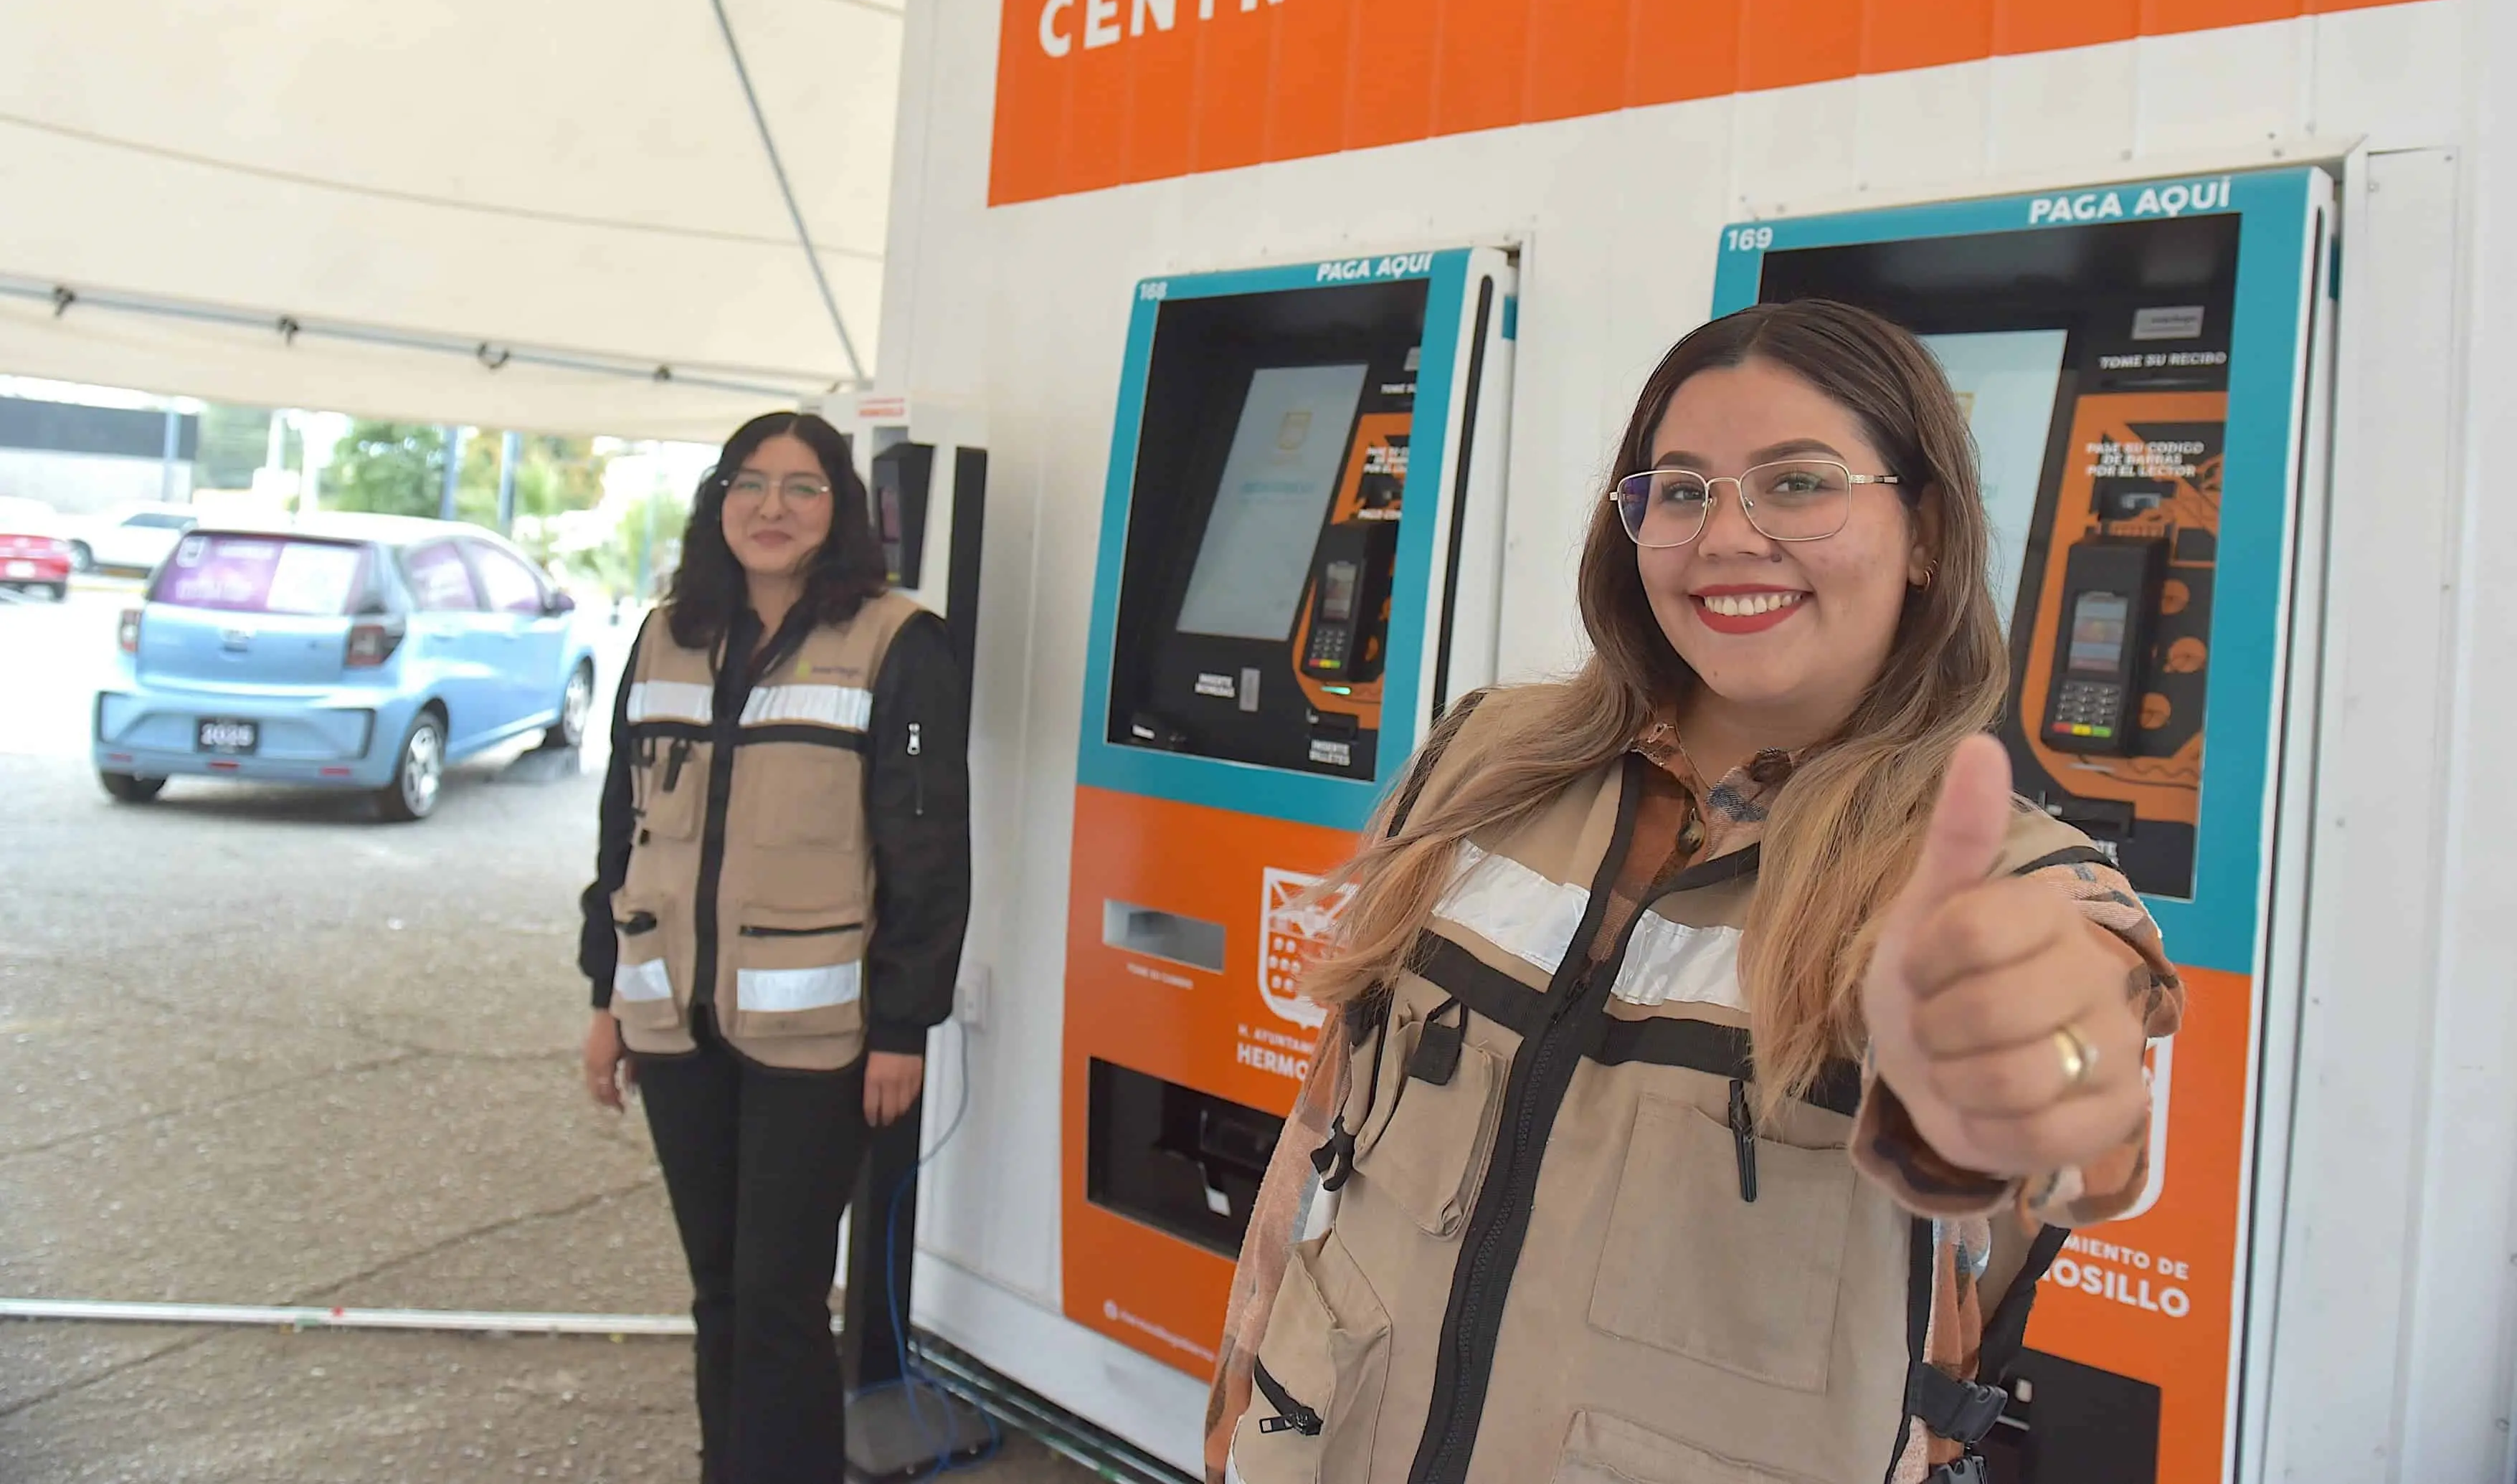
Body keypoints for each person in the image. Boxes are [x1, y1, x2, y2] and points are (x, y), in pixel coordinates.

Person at [1208, 300, 2182, 1484]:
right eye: (1678, 490)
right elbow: (1323, 1139)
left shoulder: (1998, 884)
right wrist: (1239, 1415)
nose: (1724, 537)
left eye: (1798, 484)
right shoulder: (1484, 758)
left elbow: (2072, 1082)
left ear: (1923, 532)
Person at [578, 411, 970, 1484]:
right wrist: (605, 999)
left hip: (820, 1035)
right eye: (748, 484)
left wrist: (903, 1024)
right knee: (717, 1290)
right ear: (717, 502)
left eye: (802, 488)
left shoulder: (899, 642)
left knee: (780, 1297)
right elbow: (621, 830)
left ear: (839, 509)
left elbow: (928, 848)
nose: (771, 508)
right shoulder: (664, 634)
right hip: (671, 1019)